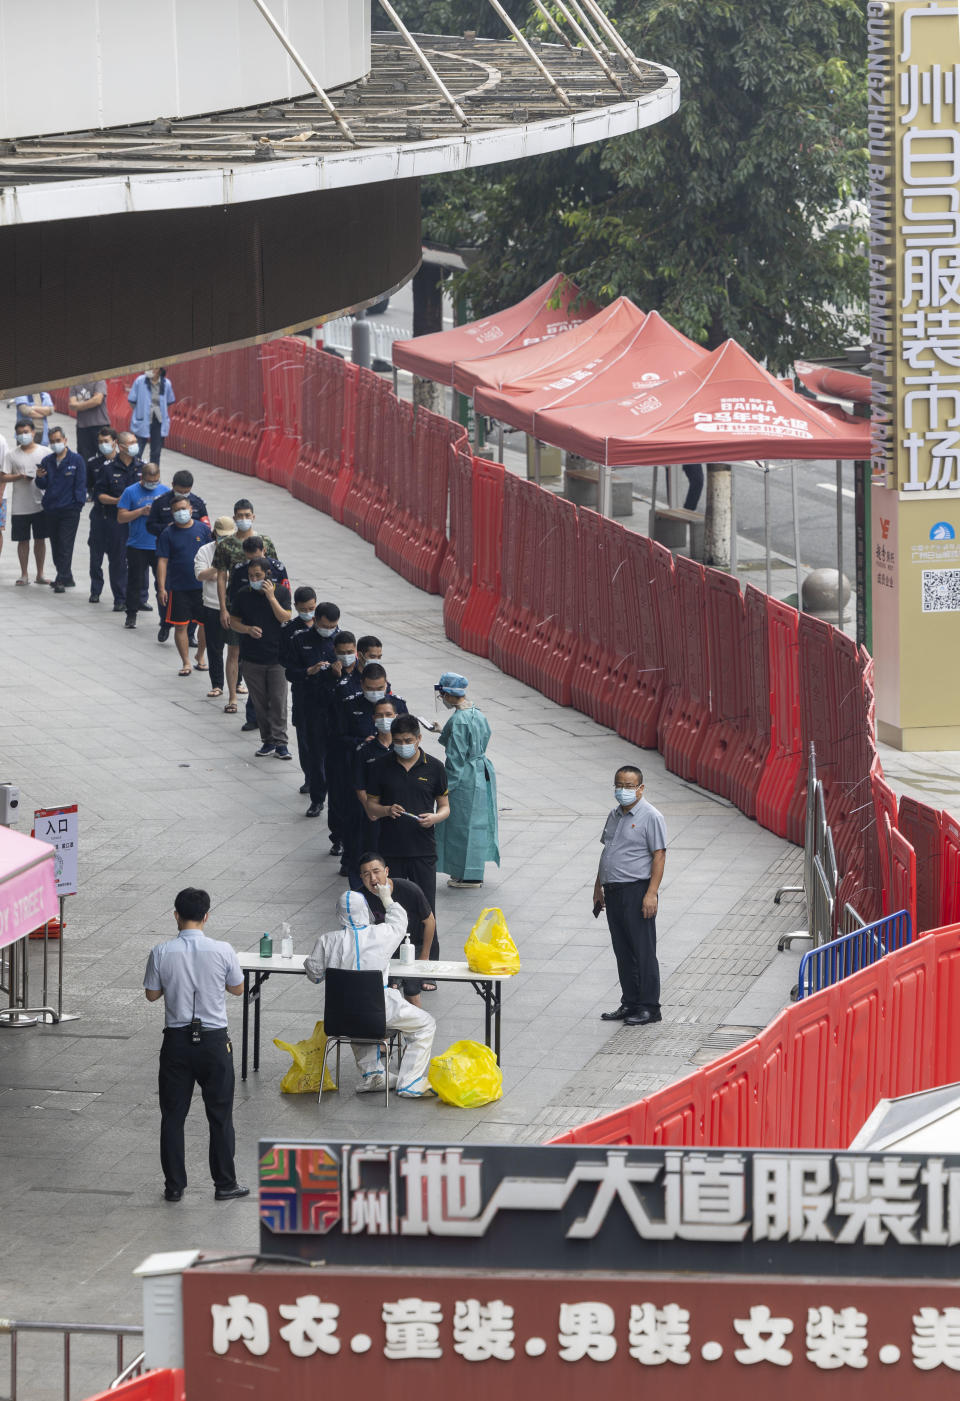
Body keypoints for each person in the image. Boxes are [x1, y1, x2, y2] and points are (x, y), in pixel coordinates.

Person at [142, 886, 249, 1203]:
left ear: (176, 915)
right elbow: (238, 989)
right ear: (206, 916)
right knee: (220, 1114)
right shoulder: (223, 950)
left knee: (173, 1116)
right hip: (214, 1042)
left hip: (176, 1042)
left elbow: (151, 995)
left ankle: (174, 1186)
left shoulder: (161, 952)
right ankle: (224, 1183)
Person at [304, 887, 436, 1098]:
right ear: (366, 911)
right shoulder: (382, 934)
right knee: (425, 1024)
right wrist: (387, 899)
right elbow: (400, 922)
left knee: (357, 1017)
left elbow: (314, 974)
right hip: (379, 1011)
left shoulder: (327, 940)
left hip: (341, 1017)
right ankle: (410, 1081)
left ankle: (373, 1074)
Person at [595, 765, 667, 1028]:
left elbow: (659, 855)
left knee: (643, 951)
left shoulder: (651, 816)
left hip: (637, 890)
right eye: (619, 785)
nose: (622, 791)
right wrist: (598, 888)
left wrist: (651, 894)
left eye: (628, 786)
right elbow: (607, 852)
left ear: (640, 788)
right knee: (622, 950)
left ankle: (650, 1007)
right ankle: (630, 1001)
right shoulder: (614, 815)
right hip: (613, 891)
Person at [364, 715, 450, 914]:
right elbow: (371, 807)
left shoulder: (435, 767)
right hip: (391, 850)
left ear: (419, 739)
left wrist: (434, 818)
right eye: (398, 742)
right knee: (391, 907)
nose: (403, 746)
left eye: (408, 741)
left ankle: (428, 946)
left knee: (426, 908)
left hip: (423, 850)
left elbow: (445, 807)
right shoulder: (380, 766)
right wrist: (387, 810)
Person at [433, 672, 500, 890]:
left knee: (462, 826)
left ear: (450, 694)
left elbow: (455, 758)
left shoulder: (459, 720)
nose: (441, 698)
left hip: (465, 777)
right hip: (481, 771)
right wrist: (444, 731)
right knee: (478, 823)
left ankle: (469, 876)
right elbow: (478, 739)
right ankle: (472, 871)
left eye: (442, 694)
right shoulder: (475, 713)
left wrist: (446, 788)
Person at [214, 504, 280, 722]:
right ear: (234, 518)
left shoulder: (266, 542)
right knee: (233, 652)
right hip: (238, 606)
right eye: (239, 516)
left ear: (253, 516)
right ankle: (232, 697)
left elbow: (277, 570)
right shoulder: (227, 545)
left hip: (264, 608)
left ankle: (257, 702)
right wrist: (223, 607)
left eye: (246, 515)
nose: (243, 519)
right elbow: (222, 576)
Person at [229, 559, 293, 757]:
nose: (254, 579)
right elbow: (233, 622)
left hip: (277, 658)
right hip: (252, 658)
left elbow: (286, 617)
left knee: (278, 701)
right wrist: (248, 629)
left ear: (268, 574)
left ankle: (281, 742)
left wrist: (271, 597)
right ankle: (268, 740)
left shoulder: (281, 592)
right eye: (251, 576)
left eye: (258, 575)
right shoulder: (243, 595)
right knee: (260, 702)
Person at [283, 600, 341, 815]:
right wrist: (309, 671)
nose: (329, 630)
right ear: (316, 620)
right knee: (315, 755)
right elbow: (290, 672)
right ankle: (317, 798)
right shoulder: (299, 639)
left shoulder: (341, 640)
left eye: (332, 626)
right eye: (325, 626)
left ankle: (336, 796)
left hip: (335, 708)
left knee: (335, 757)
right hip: (309, 704)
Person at [359, 852, 436, 1008]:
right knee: (382, 992)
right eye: (367, 874)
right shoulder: (359, 897)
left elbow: (430, 922)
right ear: (361, 877)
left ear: (386, 871)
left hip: (412, 945)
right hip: (382, 949)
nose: (373, 878)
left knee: (412, 992)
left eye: (376, 871)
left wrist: (425, 956)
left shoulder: (409, 890)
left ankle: (417, 1029)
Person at [147, 470, 208, 643]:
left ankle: (190, 633)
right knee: (164, 592)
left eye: (187, 491)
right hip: (169, 552)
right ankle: (165, 624)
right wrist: (167, 527)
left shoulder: (197, 503)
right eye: (180, 490)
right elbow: (150, 525)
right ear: (173, 486)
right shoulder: (160, 503)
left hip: (194, 560)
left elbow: (205, 526)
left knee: (195, 600)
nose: (183, 494)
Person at [321, 631, 365, 866]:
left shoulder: (364, 674)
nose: (348, 656)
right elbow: (323, 705)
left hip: (360, 746)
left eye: (351, 652)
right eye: (343, 652)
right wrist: (334, 680)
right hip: (337, 745)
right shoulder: (328, 674)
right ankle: (337, 836)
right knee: (337, 794)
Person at [156, 507, 212, 676]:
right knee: (181, 626)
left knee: (205, 625)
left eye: (184, 508)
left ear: (190, 509)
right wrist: (161, 588)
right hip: (179, 588)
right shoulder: (168, 533)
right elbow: (162, 561)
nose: (181, 512)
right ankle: (186, 662)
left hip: (202, 587)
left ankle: (200, 656)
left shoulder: (203, 530)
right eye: (177, 509)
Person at [88, 428, 139, 610]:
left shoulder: (141, 468)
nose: (134, 446)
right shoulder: (107, 469)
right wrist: (118, 501)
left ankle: (131, 598)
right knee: (103, 558)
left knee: (128, 559)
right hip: (109, 519)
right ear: (121, 446)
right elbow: (98, 494)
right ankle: (105, 592)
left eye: (135, 443)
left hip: (135, 521)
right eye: (131, 443)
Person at [34, 426, 86, 592]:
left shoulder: (76, 460)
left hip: (69, 510)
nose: (56, 444)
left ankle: (61, 579)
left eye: (58, 440)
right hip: (51, 509)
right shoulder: (47, 461)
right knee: (56, 545)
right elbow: (42, 484)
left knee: (65, 544)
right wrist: (39, 477)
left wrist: (77, 505)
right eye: (53, 441)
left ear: (65, 440)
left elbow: (81, 484)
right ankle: (66, 575)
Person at [117, 462, 168, 629]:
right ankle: (131, 614)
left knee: (162, 583)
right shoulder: (130, 491)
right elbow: (121, 517)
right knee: (134, 581)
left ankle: (165, 617)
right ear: (142, 478)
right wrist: (140, 511)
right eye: (149, 480)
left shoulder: (165, 492)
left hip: (159, 545)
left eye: (156, 480)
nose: (153, 483)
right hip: (137, 545)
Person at [1, 418, 49, 585]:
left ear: (33, 432)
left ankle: (40, 573)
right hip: (20, 505)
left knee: (40, 539)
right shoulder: (11, 455)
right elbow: (3, 476)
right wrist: (19, 476)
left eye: (26, 432)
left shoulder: (45, 452)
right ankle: (24, 574)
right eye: (20, 433)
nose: (23, 436)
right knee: (22, 540)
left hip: (40, 503)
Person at [194, 517, 237, 698]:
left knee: (236, 647)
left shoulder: (240, 550)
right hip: (212, 605)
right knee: (214, 647)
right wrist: (218, 567)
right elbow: (200, 575)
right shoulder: (205, 550)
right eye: (221, 537)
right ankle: (217, 684)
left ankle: (239, 682)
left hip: (235, 606)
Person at [128, 366, 176, 464]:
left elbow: (169, 401)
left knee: (156, 452)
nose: (151, 370)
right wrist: (140, 411)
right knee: (137, 451)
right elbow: (132, 400)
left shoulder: (166, 383)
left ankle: (153, 476)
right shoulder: (140, 381)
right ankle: (134, 473)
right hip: (142, 421)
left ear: (160, 370)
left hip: (158, 422)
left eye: (154, 368)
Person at [68, 379, 109, 462]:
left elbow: (97, 400)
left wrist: (78, 405)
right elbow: (72, 405)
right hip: (83, 427)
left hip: (100, 425)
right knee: (84, 458)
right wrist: (90, 402)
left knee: (105, 455)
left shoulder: (99, 380)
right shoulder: (74, 383)